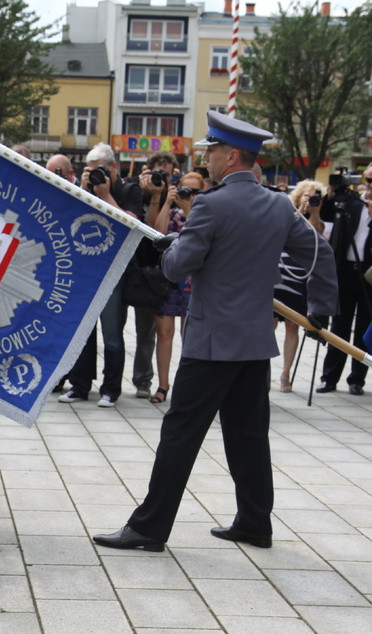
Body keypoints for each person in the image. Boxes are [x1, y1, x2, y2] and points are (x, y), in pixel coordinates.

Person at [93, 111, 338, 553]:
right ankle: (254, 521)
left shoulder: (212, 203)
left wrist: (171, 250)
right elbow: (319, 254)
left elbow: (179, 267)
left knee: (180, 434)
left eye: (214, 152)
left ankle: (149, 527)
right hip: (252, 341)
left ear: (233, 155)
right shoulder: (279, 205)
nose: (209, 159)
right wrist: (320, 310)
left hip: (210, 343)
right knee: (248, 434)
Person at [58, 142, 141, 407]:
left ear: (113, 167)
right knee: (82, 332)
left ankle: (111, 389)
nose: (96, 176)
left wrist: (105, 195)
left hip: (115, 273)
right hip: (87, 271)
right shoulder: (87, 188)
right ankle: (79, 386)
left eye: (101, 170)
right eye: (91, 171)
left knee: (113, 336)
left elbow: (132, 224)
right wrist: (83, 189)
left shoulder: (129, 189)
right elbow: (69, 215)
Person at [149, 171, 206, 403]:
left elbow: (199, 235)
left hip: (195, 281)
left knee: (190, 336)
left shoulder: (204, 215)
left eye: (194, 192)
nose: (187, 195)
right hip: (168, 279)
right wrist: (169, 201)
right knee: (164, 333)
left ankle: (187, 386)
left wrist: (191, 207)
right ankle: (162, 385)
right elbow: (158, 234)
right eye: (184, 190)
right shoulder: (172, 211)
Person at [316, 165, 372, 396]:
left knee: (364, 327)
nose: (369, 185)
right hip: (346, 270)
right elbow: (327, 216)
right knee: (339, 325)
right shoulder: (351, 202)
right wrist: (330, 195)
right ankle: (329, 377)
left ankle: (357, 378)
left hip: (369, 274)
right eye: (368, 180)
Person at [132, 151, 180, 399]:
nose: (163, 174)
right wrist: (150, 194)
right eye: (158, 170)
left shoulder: (177, 195)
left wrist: (163, 197)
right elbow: (148, 231)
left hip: (159, 271)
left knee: (147, 332)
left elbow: (157, 237)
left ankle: (143, 380)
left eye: (167, 170)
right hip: (134, 265)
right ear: (148, 171)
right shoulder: (136, 190)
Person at [274, 179, 328, 392]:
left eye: (315, 195)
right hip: (279, 271)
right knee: (268, 322)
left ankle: (286, 372)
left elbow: (317, 234)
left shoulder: (319, 218)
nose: (310, 198)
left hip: (300, 276)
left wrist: (314, 211)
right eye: (307, 194)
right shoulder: (286, 213)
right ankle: (263, 367)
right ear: (298, 195)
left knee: (293, 324)